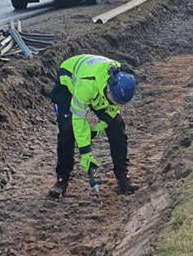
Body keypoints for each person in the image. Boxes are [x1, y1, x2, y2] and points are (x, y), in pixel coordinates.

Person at [47, 54, 139, 198]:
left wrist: (101, 126)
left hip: (98, 88)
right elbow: (78, 120)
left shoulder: (120, 79)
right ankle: (61, 180)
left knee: (117, 128)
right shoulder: (86, 86)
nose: (114, 103)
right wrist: (86, 155)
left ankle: (123, 177)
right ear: (109, 86)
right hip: (69, 83)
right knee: (67, 130)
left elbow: (112, 110)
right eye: (113, 99)